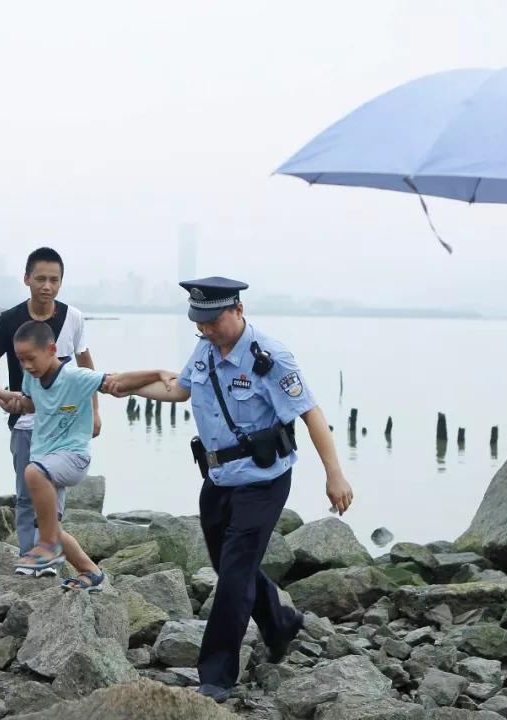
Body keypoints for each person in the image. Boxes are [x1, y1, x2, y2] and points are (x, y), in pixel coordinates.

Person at [105, 276, 354, 702]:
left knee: (235, 576)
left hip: (263, 480)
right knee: (230, 567)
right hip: (218, 479)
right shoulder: (205, 348)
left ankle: (216, 675)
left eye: (213, 321)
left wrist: (335, 475)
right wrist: (125, 387)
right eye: (198, 322)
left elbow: (310, 412)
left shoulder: (270, 357)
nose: (205, 329)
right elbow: (179, 388)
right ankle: (280, 623)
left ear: (238, 310)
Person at [0, 247, 101, 577]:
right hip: (25, 420)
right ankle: (28, 555)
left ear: (61, 282)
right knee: (25, 494)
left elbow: (87, 368)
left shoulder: (73, 318)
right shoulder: (9, 319)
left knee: (53, 493)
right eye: (40, 279)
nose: (47, 286)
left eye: (54, 280)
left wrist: (94, 412)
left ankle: (48, 559)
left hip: (63, 424)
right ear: (26, 279)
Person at [0, 320, 109, 588]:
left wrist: (158, 375)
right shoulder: (34, 377)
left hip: (69, 457)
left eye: (30, 358)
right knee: (50, 526)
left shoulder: (72, 376)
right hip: (47, 456)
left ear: (50, 350)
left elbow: (113, 382)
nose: (26, 365)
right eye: (20, 359)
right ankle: (91, 572)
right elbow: (28, 404)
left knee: (35, 477)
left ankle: (46, 552)